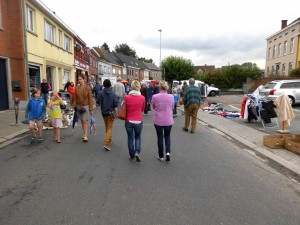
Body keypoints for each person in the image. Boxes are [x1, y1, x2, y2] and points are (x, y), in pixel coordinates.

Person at [152, 81, 174, 162]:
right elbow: (172, 107)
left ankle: (161, 156)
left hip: (158, 120)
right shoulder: (171, 96)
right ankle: (168, 153)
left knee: (160, 137)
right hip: (168, 120)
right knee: (167, 136)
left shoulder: (155, 96)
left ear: (159, 87)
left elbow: (154, 107)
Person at [124, 80, 145, 162]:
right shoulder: (142, 97)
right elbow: (142, 109)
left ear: (131, 87)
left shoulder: (127, 97)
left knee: (130, 138)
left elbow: (124, 108)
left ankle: (131, 155)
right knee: (138, 137)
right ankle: (137, 152)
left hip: (129, 120)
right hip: (138, 120)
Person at [97, 79, 118, 151]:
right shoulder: (113, 94)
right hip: (111, 113)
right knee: (110, 128)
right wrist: (116, 114)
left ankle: (110, 138)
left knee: (107, 126)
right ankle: (106, 143)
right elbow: (115, 106)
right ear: (110, 85)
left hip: (104, 112)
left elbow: (98, 102)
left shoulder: (100, 93)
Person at [73, 74, 94, 142]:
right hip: (79, 106)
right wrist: (74, 106)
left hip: (85, 106)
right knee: (82, 120)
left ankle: (86, 135)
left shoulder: (87, 88)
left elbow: (90, 99)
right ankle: (84, 133)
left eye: (80, 79)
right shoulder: (77, 88)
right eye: (78, 79)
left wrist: (91, 108)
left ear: (84, 80)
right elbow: (75, 98)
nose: (79, 81)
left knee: (85, 120)